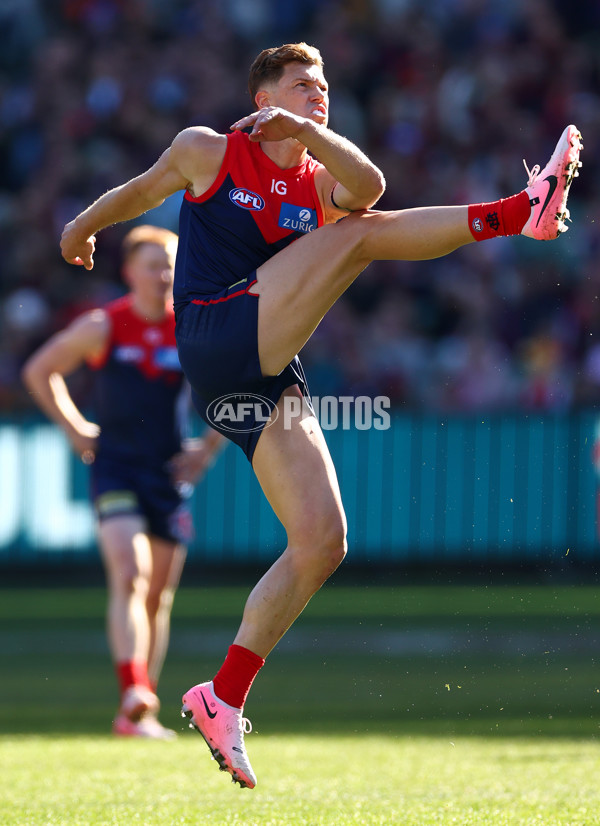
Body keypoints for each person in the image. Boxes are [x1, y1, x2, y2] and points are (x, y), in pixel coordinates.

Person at [58, 42, 582, 785]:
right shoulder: (210, 150)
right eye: (302, 84)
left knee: (323, 542)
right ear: (262, 92)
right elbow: (139, 193)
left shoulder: (317, 176)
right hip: (214, 333)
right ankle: (519, 214)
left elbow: (370, 182)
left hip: (262, 368)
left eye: (326, 86)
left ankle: (222, 696)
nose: (319, 94)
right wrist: (79, 229)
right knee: (361, 236)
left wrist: (305, 134)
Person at [23, 225, 224, 740]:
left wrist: (208, 449)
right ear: (129, 271)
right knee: (129, 573)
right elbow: (40, 371)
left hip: (166, 473)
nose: (163, 274)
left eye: (170, 264)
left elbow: (234, 385)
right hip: (114, 465)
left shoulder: (191, 328)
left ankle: (137, 715)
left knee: (158, 595)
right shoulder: (104, 325)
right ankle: (133, 686)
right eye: (153, 264)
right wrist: (74, 430)